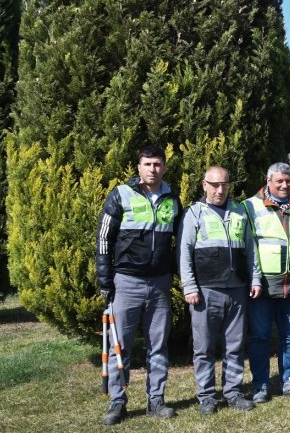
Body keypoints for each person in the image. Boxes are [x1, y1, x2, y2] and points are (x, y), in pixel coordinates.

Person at [95, 145, 182, 425]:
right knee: (121, 346)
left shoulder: (172, 198)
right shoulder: (121, 195)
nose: (152, 169)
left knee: (158, 346)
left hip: (159, 285)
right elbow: (104, 239)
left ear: (164, 168)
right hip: (126, 282)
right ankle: (117, 403)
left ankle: (156, 400)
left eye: (157, 164)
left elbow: (180, 241)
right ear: (138, 167)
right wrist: (105, 279)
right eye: (147, 164)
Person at [178, 166, 256, 414]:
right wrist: (189, 286)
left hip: (237, 290)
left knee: (235, 346)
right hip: (205, 292)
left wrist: (255, 279)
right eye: (214, 185)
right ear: (204, 185)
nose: (220, 190)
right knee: (204, 347)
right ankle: (207, 396)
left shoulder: (239, 211)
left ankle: (233, 392)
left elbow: (250, 249)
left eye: (224, 184)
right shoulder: (194, 213)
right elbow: (184, 253)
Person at [243, 163, 290, 402]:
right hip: (262, 287)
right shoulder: (250, 207)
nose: (285, 185)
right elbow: (247, 246)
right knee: (260, 338)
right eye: (279, 181)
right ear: (268, 181)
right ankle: (260, 385)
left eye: (288, 180)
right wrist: (254, 278)